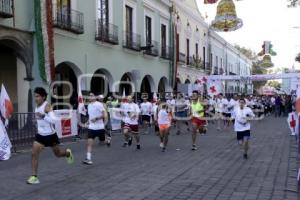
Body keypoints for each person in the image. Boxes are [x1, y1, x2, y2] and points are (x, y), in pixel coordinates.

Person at [27, 87, 74, 184]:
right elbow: (40, 120)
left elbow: (54, 120)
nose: (35, 98)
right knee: (34, 154)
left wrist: (43, 116)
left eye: (38, 96)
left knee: (58, 154)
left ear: (43, 97)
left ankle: (67, 153)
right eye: (35, 96)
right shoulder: (36, 106)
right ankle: (34, 177)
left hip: (50, 135)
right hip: (40, 135)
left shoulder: (47, 106)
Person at [82, 93, 108, 165]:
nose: (90, 97)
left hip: (100, 127)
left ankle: (108, 140)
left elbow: (105, 115)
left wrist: (96, 118)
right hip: (92, 127)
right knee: (89, 143)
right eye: (89, 96)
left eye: (91, 96)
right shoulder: (89, 105)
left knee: (102, 142)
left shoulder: (99, 104)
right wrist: (87, 122)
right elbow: (90, 116)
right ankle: (88, 159)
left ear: (95, 97)